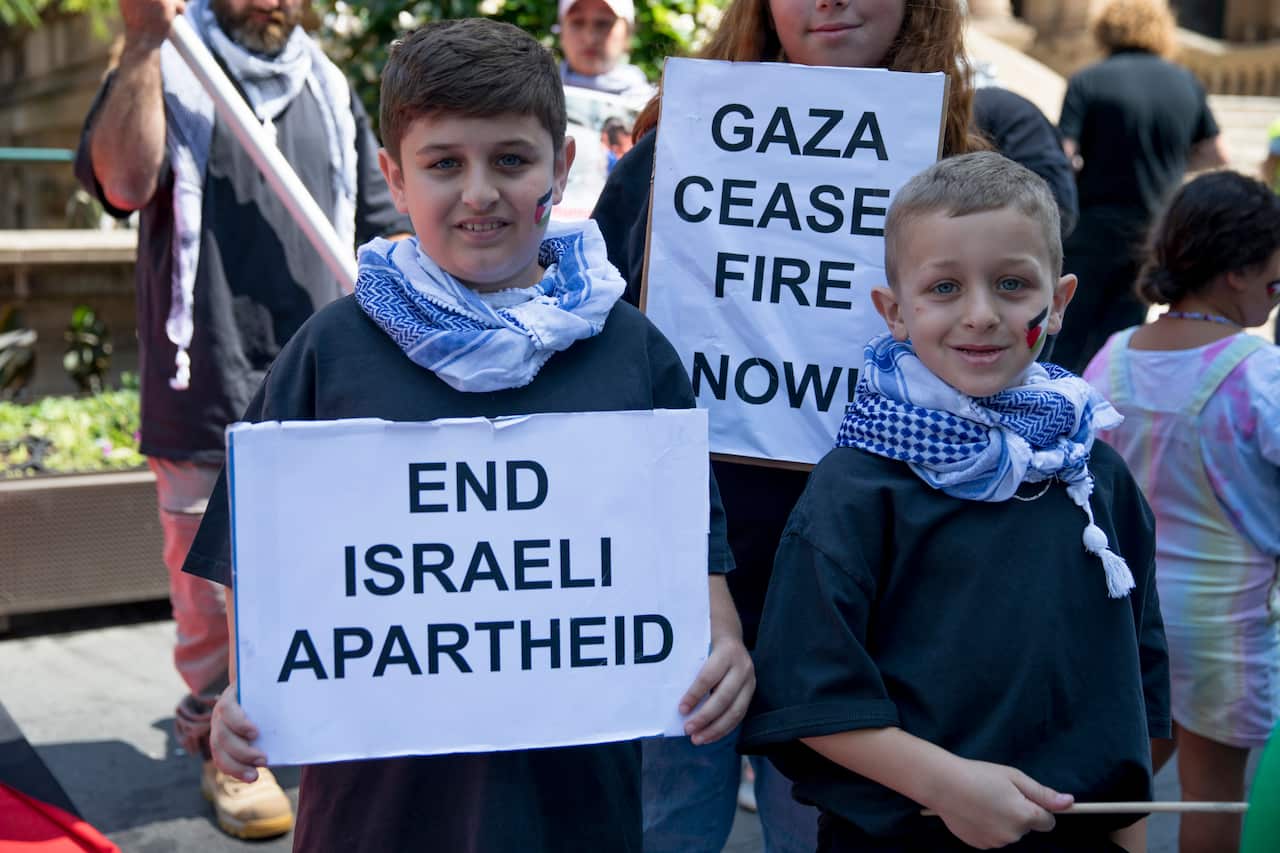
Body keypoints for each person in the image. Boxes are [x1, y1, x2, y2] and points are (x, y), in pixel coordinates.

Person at [183, 19, 754, 851]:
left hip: (573, 811)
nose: (479, 191)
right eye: (444, 163)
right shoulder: (329, 351)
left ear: (560, 168)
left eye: (511, 160)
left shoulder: (633, 353)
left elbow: (692, 560)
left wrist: (724, 642)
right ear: (393, 175)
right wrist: (252, 689)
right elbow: (258, 569)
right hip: (376, 814)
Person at [589, 2, 1067, 851]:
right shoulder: (671, 158)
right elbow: (602, 354)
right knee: (657, 830)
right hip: (680, 584)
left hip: (869, 614)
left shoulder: (969, 173)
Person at [740, 152, 1169, 853]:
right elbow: (807, 694)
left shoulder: (1096, 475)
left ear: (1057, 301)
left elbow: (1134, 690)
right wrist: (947, 785)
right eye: (943, 287)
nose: (980, 314)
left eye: (1011, 284)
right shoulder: (857, 486)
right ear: (895, 311)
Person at [74, 0, 410, 838]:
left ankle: (312, 727)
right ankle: (222, 752)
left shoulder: (327, 85)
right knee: (211, 595)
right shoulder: (166, 65)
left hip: (317, 385)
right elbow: (122, 181)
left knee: (325, 573)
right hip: (205, 380)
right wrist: (147, 41)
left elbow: (379, 228)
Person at [1083, 171, 1280, 853]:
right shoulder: (1259, 370)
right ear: (1239, 269)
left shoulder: (1114, 356)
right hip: (1229, 616)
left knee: (1127, 782)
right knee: (1214, 793)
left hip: (1129, 611)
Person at [1053, 0, 1227, 373]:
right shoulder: (1186, 82)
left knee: (1068, 332)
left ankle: (1057, 420)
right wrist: (1175, 165)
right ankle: (1107, 425)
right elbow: (1217, 154)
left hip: (1091, 227)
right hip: (1153, 232)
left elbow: (1065, 154)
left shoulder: (1089, 79)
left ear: (1106, 30)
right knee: (1121, 338)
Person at [558, 0, 653, 101]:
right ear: (561, 31)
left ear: (628, 33)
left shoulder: (655, 109)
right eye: (577, 22)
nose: (590, 38)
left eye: (603, 23)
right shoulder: (540, 95)